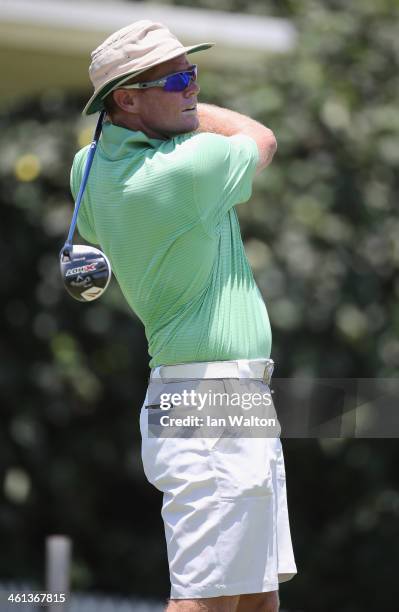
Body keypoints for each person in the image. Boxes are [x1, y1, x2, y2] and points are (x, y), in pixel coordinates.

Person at [71, 20, 297, 612]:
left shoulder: (87, 170)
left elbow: (99, 186)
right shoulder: (185, 168)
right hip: (211, 397)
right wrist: (193, 110)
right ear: (126, 99)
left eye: (193, 73)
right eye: (176, 77)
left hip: (222, 392)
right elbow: (262, 138)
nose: (192, 87)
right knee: (205, 601)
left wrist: (169, 101)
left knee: (255, 599)